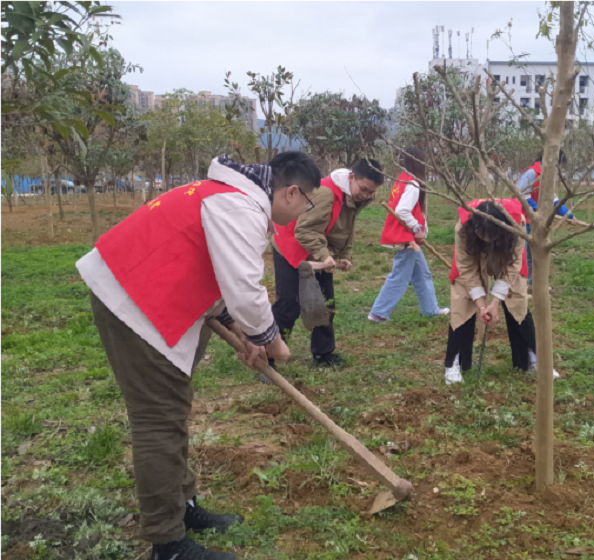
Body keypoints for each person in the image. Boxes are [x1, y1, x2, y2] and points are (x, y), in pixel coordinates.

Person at [77, 153, 322, 560]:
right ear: (291, 192)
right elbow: (244, 287)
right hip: (133, 301)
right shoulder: (237, 205)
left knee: (173, 411)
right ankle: (168, 543)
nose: (303, 211)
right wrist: (273, 342)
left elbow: (217, 273)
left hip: (154, 296)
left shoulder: (228, 197)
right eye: (307, 202)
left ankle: (183, 507)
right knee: (159, 419)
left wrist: (246, 334)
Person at [272, 158, 384, 367]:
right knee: (289, 305)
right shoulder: (326, 193)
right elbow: (303, 230)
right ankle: (269, 357)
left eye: (371, 192)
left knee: (325, 303)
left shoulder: (352, 195)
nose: (367, 195)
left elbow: (345, 227)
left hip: (318, 250)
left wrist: (344, 255)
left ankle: (323, 354)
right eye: (364, 189)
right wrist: (325, 256)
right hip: (291, 246)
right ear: (352, 178)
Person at [443, 198, 560, 385]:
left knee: (517, 299)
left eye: (491, 236)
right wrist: (482, 306)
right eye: (483, 235)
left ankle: (533, 359)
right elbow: (465, 267)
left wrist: (495, 302)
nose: (487, 240)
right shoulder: (463, 228)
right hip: (472, 257)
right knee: (462, 301)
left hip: (506, 255)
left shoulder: (517, 224)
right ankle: (454, 364)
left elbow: (512, 265)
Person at [368, 148, 448, 322]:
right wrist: (416, 228)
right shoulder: (412, 183)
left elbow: (410, 208)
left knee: (423, 274)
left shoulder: (402, 179)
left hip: (406, 237)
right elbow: (402, 210)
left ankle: (430, 309)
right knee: (399, 276)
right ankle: (378, 312)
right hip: (405, 238)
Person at [515, 150, 573, 285]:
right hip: (522, 220)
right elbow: (521, 195)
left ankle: (531, 283)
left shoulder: (546, 176)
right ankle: (520, 283)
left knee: (534, 253)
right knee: (522, 254)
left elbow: (553, 199)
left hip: (536, 221)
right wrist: (541, 211)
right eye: (559, 164)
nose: (558, 169)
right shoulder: (531, 173)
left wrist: (568, 214)